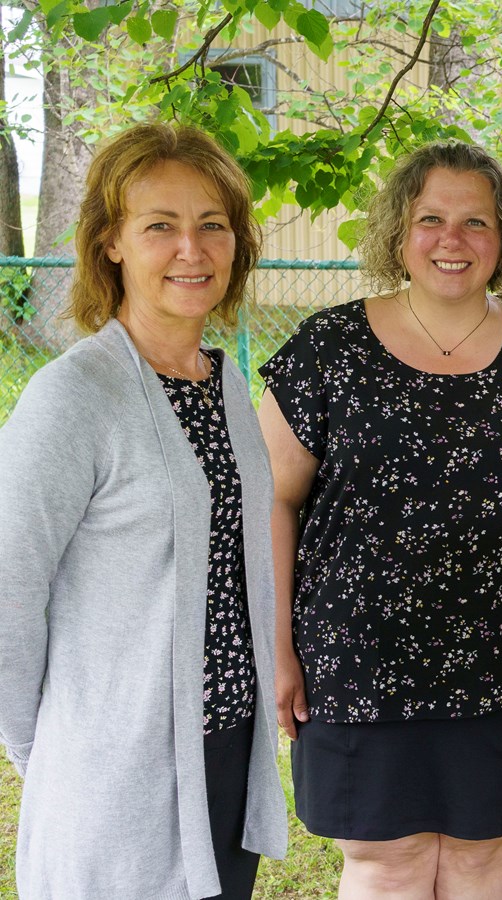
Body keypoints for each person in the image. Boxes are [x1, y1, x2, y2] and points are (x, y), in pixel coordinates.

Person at [258, 140, 502, 898]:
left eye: (476, 222)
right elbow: (272, 500)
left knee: (484, 857)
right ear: (398, 233)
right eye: (431, 219)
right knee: (387, 863)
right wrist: (277, 642)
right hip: (357, 661)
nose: (452, 240)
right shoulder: (328, 349)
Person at [0, 121, 287, 898]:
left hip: (224, 752)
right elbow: (8, 598)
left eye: (212, 225)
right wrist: (61, 755)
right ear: (111, 243)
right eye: (160, 226)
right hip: (114, 775)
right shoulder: (72, 398)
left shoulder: (222, 383)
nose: (191, 250)